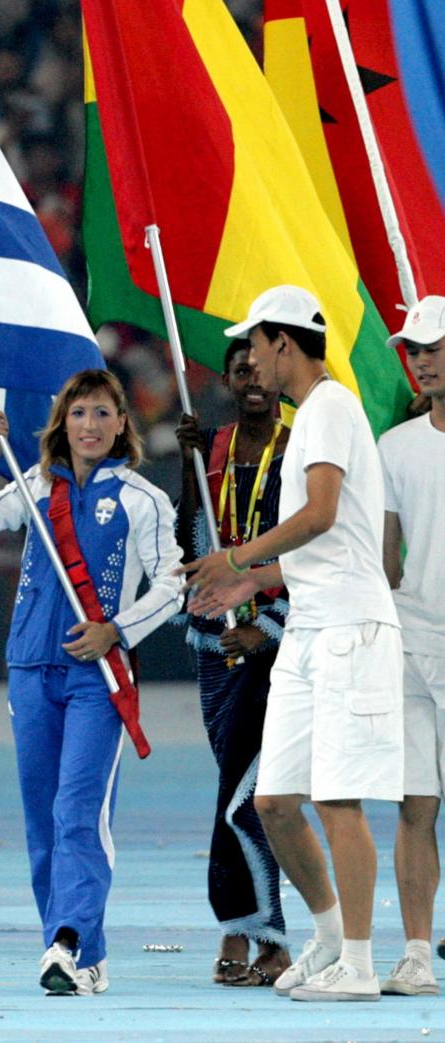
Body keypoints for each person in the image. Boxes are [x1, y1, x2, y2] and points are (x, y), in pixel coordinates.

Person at [186, 285, 403, 1003]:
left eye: (255, 344)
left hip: (349, 628)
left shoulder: (330, 406)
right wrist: (251, 581)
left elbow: (321, 513)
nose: (249, 360)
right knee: (276, 801)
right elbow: (319, 541)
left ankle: (361, 964)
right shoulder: (309, 414)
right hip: (310, 627)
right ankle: (332, 939)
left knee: (337, 800)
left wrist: (238, 556)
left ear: (284, 342)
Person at [0, 368, 184, 997]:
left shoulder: (142, 499)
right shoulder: (35, 486)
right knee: (42, 821)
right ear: (62, 423)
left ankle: (66, 942)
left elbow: (173, 584)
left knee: (78, 811)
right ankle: (82, 953)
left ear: (122, 423)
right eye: (78, 413)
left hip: (97, 677)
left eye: (103, 412)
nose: (90, 425)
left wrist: (117, 631)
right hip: (30, 668)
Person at [175, 337, 291, 987]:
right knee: (239, 786)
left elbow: (315, 548)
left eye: (260, 368)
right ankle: (267, 934)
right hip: (213, 643)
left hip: (276, 643)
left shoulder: (299, 449)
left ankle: (245, 931)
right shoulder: (210, 448)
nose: (252, 379)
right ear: (225, 378)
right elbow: (187, 540)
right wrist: (187, 468)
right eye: (239, 369)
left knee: (243, 792)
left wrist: (266, 626)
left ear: (279, 374)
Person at [376, 294, 445, 996]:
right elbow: (385, 561)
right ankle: (418, 954)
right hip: (409, 645)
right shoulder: (394, 448)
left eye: (434, 348)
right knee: (414, 804)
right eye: (414, 351)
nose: (422, 361)